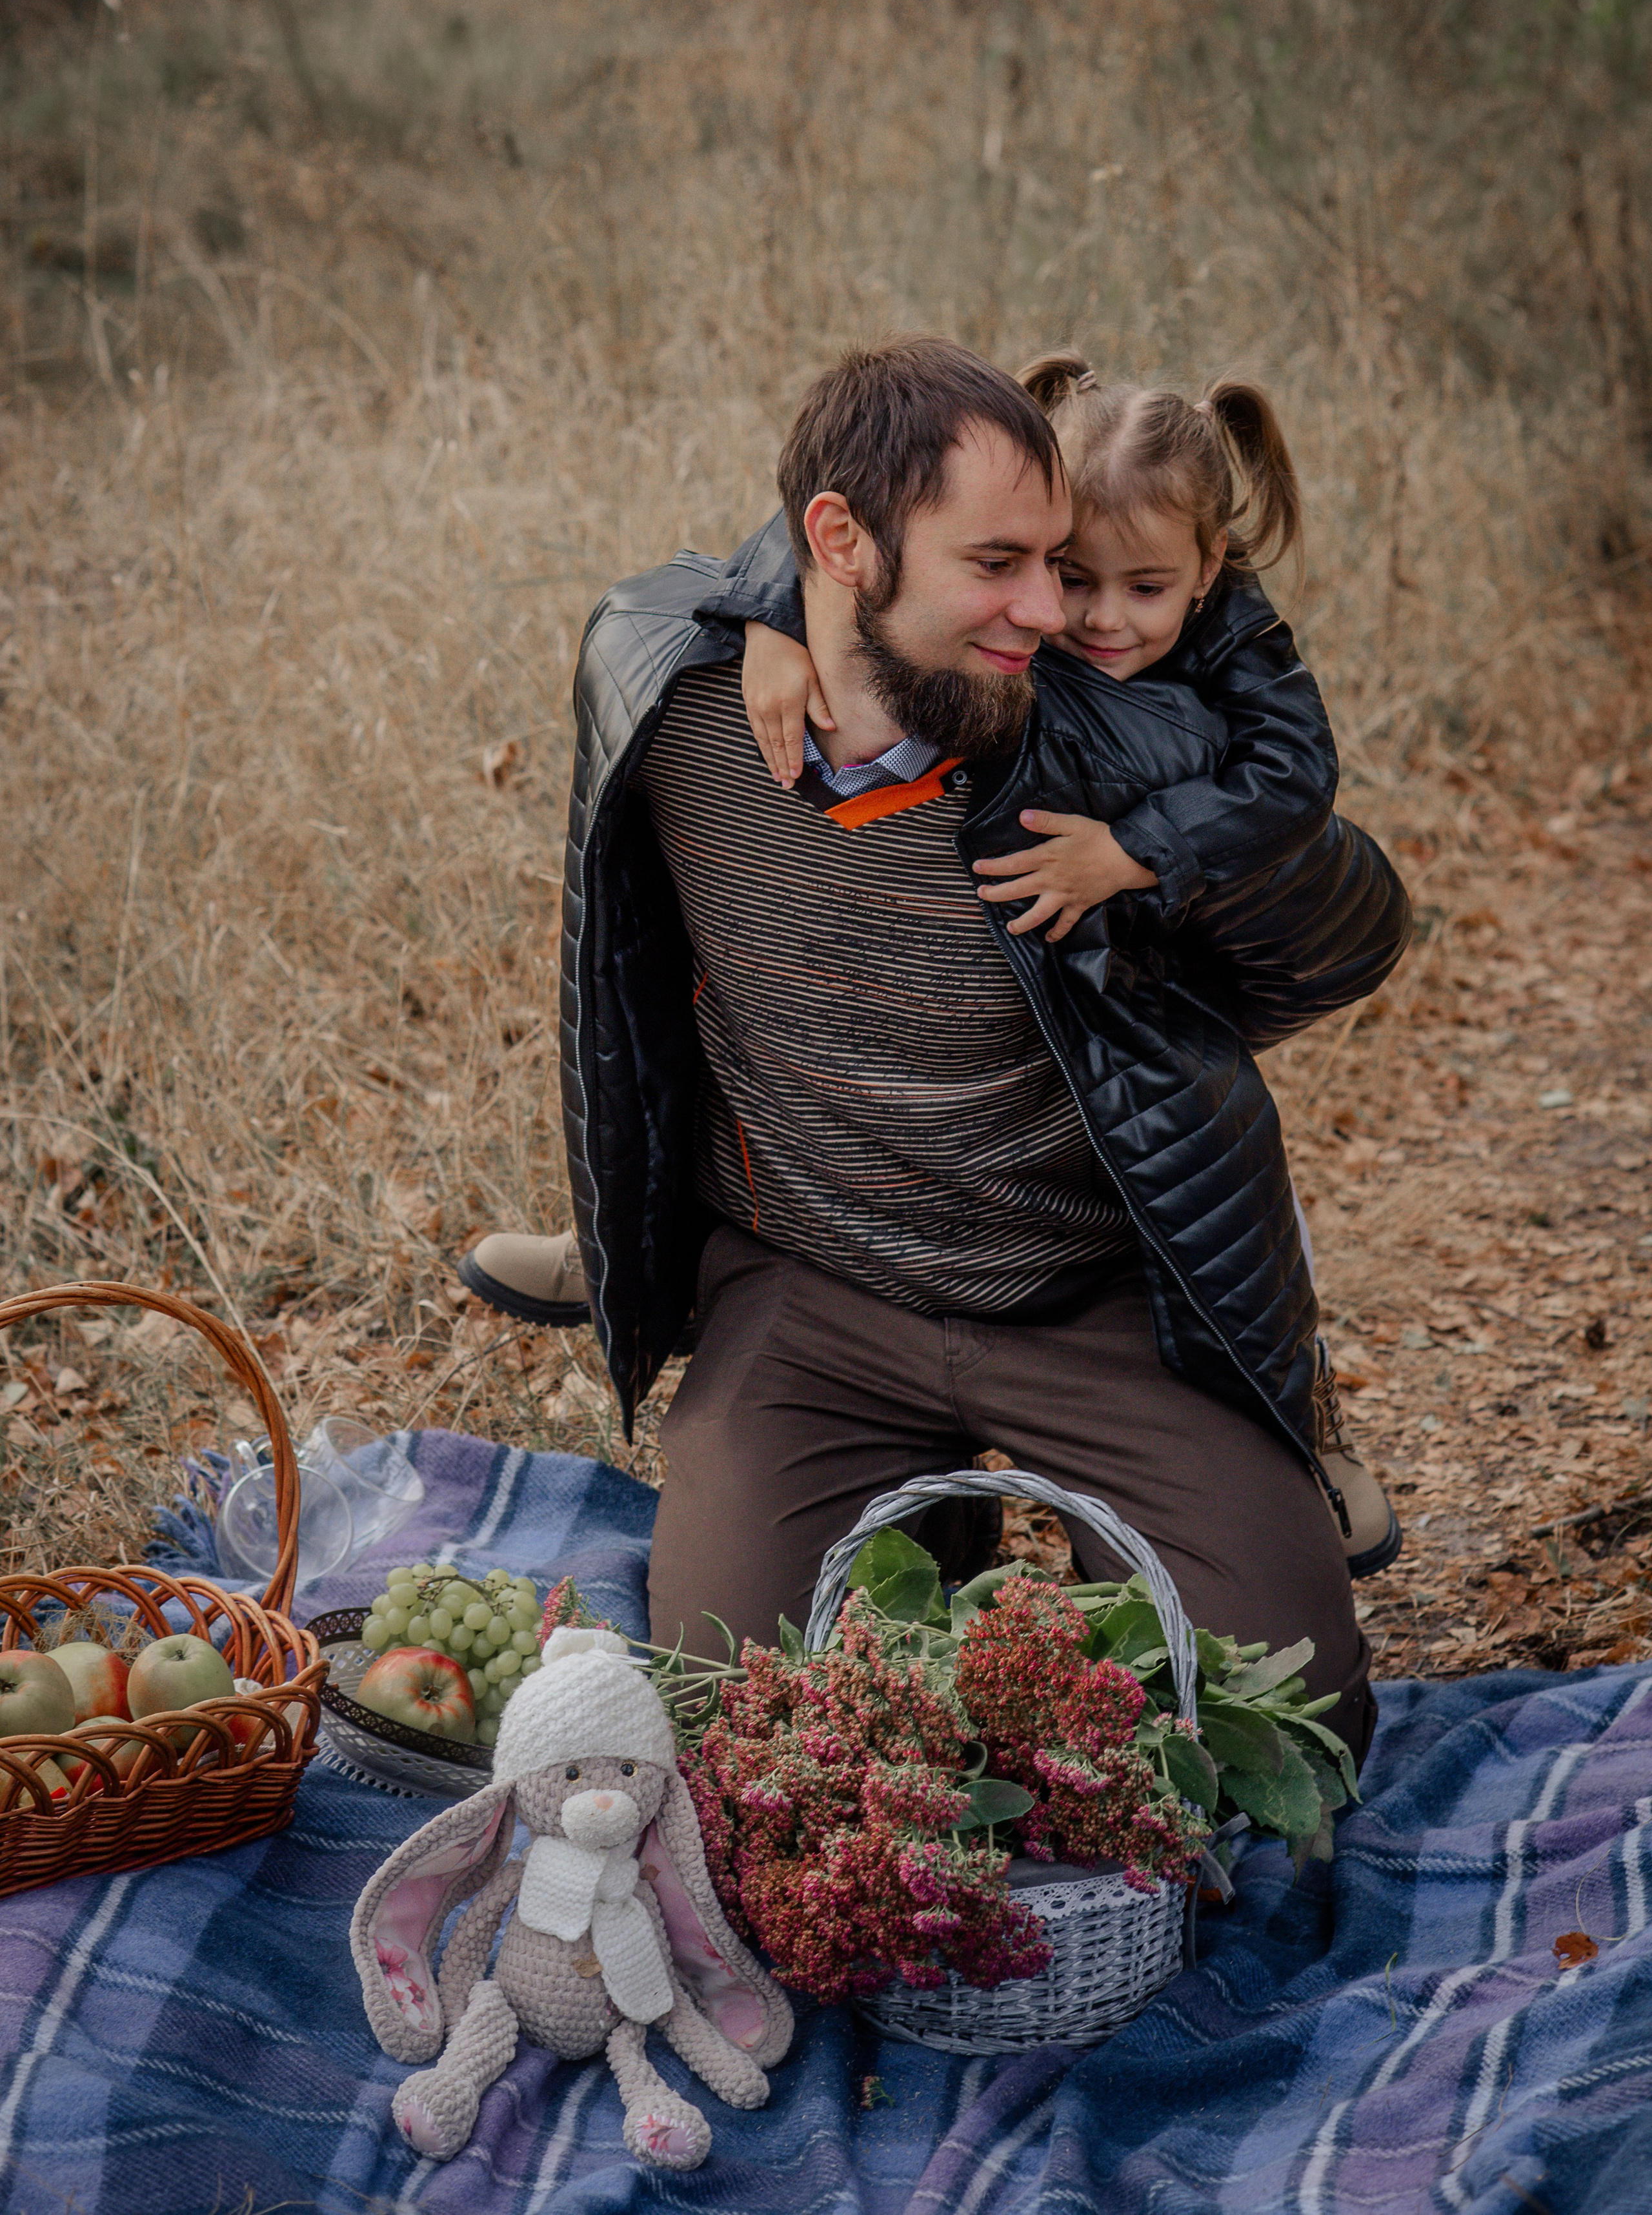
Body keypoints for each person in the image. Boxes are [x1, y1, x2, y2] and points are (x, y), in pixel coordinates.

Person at [483, 338, 1410, 1758]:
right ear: (841, 548)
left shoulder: (1110, 741)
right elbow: (639, 608)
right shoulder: (678, 715)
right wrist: (769, 611)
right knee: (735, 1740)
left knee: (1280, 1735)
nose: (1051, 611)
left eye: (1062, 560)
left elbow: (1351, 933)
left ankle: (1200, 1491)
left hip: (1099, 1295)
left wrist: (1165, 857)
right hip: (812, 1290)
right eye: (1000, 565)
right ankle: (926, 1518)